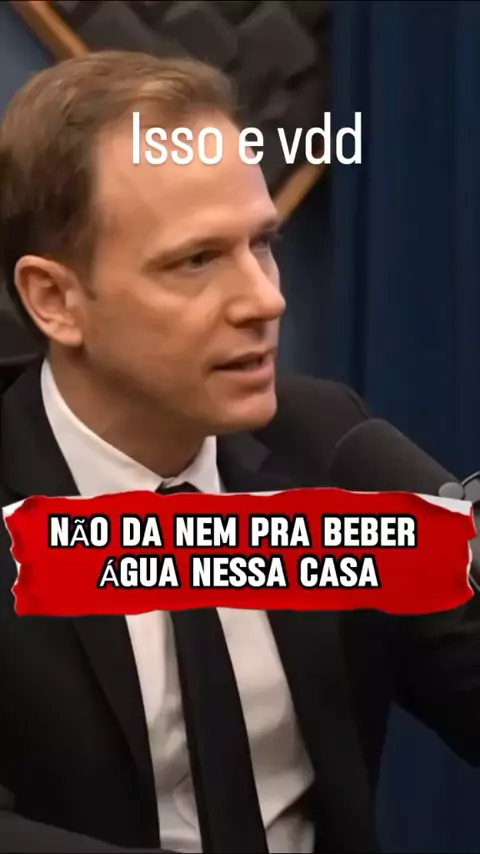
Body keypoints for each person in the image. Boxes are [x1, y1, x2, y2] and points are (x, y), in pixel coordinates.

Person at [0, 50, 479, 854]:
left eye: (263, 244)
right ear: (56, 300)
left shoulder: (324, 446)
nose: (265, 298)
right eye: (197, 260)